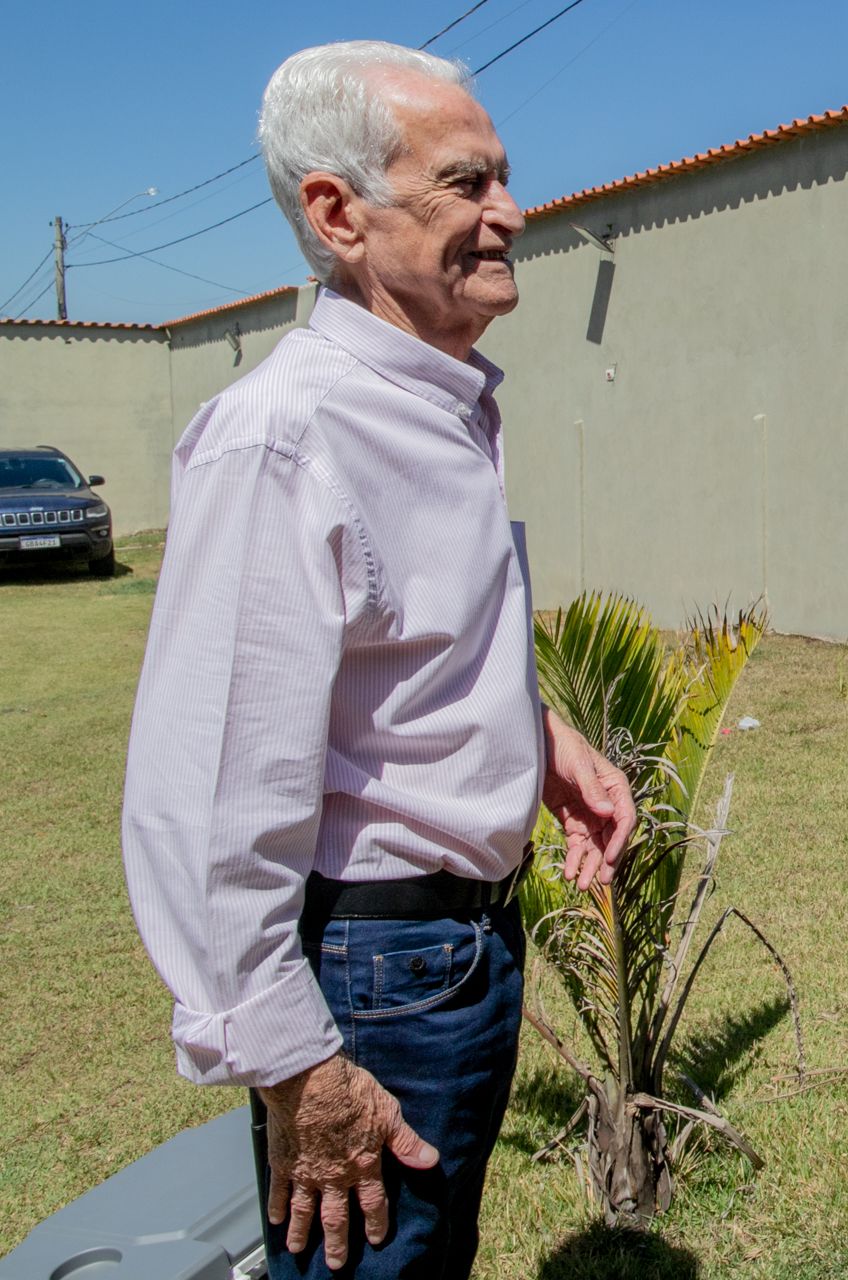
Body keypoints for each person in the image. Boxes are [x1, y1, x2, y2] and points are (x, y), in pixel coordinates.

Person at [121, 41, 636, 1279]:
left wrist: (535, 739)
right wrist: (296, 1057)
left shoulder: (435, 400)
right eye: (466, 183)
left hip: (450, 951)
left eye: (504, 178)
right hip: (374, 971)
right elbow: (211, 791)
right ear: (337, 212)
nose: (510, 212)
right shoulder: (289, 435)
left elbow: (402, 648)